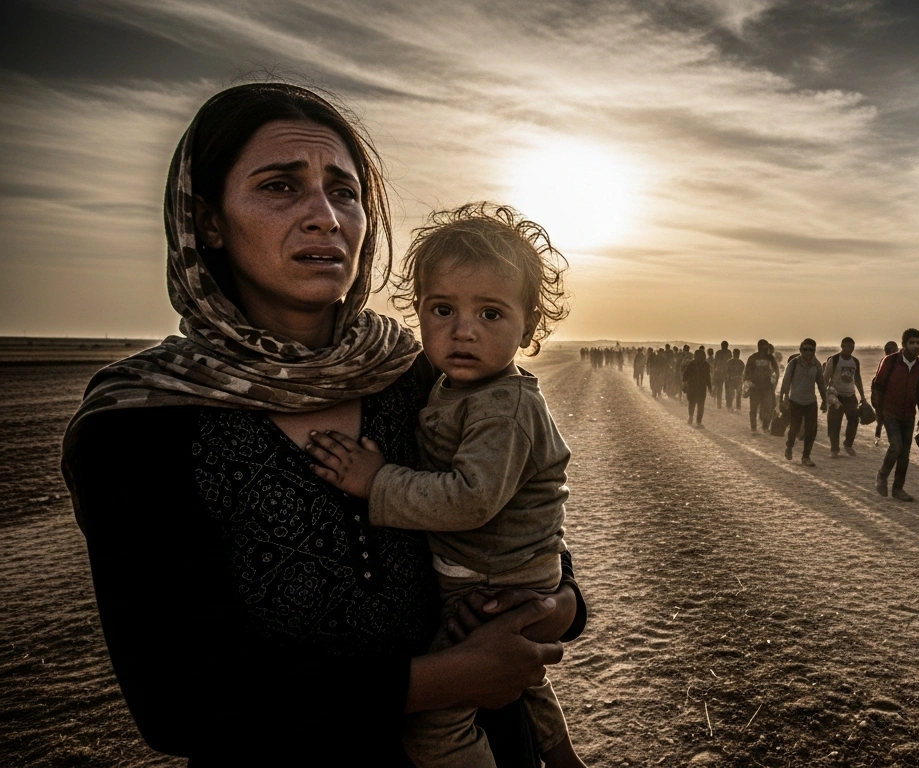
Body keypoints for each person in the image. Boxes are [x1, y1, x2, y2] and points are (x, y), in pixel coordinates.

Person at [60, 84, 584, 765]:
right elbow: (178, 700)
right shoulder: (141, 424)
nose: (325, 217)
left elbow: (531, 545)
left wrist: (552, 612)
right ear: (207, 222)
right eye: (281, 186)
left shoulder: (421, 376)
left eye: (344, 191)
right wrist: (447, 679)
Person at [304, 203, 585, 767]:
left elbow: (471, 498)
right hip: (495, 572)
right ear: (418, 311)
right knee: (522, 678)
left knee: (438, 725)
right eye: (442, 309)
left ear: (528, 326)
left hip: (489, 580)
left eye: (490, 314)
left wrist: (376, 481)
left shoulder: (500, 405)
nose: (463, 331)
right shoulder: (449, 385)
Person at [873, 329, 919, 501]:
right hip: (890, 412)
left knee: (905, 453)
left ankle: (898, 489)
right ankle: (882, 475)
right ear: (904, 344)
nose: (915, 346)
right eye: (912, 342)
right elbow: (877, 387)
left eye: (918, 343)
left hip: (909, 414)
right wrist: (879, 412)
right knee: (896, 446)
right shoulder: (890, 361)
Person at [780, 339, 827, 466]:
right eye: (805, 349)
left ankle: (806, 457)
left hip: (811, 401)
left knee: (811, 431)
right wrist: (782, 400)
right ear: (801, 350)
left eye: (811, 349)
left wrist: (824, 400)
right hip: (795, 401)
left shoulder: (816, 365)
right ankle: (789, 446)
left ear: (814, 351)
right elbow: (785, 383)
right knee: (794, 428)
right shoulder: (793, 363)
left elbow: (821, 384)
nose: (808, 352)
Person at [823, 337, 867, 457]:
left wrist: (862, 395)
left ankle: (848, 444)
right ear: (842, 346)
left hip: (850, 396)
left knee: (854, 420)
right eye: (847, 346)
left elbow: (857, 379)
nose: (849, 349)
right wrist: (825, 396)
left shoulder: (855, 361)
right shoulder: (834, 360)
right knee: (834, 423)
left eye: (852, 346)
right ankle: (834, 449)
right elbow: (825, 378)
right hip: (836, 396)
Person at [745, 339, 779, 433]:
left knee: (770, 406)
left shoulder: (770, 358)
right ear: (759, 347)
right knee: (754, 408)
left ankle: (764, 427)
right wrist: (747, 385)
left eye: (765, 347)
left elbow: (776, 371)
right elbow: (746, 373)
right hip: (756, 386)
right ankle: (754, 428)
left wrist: (774, 385)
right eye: (763, 347)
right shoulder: (753, 357)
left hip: (767, 387)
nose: (764, 349)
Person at [874, 340, 898, 444]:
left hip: (888, 396)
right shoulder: (886, 361)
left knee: (885, 420)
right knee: (881, 420)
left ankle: (880, 439)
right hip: (882, 395)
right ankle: (878, 438)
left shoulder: (894, 362)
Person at [683, 347, 714, 426]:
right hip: (701, 389)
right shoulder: (706, 365)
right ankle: (698, 422)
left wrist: (684, 382)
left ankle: (690, 417)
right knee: (701, 405)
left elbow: (685, 375)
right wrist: (710, 388)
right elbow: (708, 378)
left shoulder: (691, 363)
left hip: (692, 387)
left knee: (691, 403)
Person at [712, 341, 730, 409]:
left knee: (719, 389)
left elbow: (715, 363)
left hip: (719, 372)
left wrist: (714, 372)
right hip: (726, 372)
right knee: (727, 389)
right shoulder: (729, 352)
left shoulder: (718, 352)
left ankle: (719, 404)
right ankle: (728, 404)